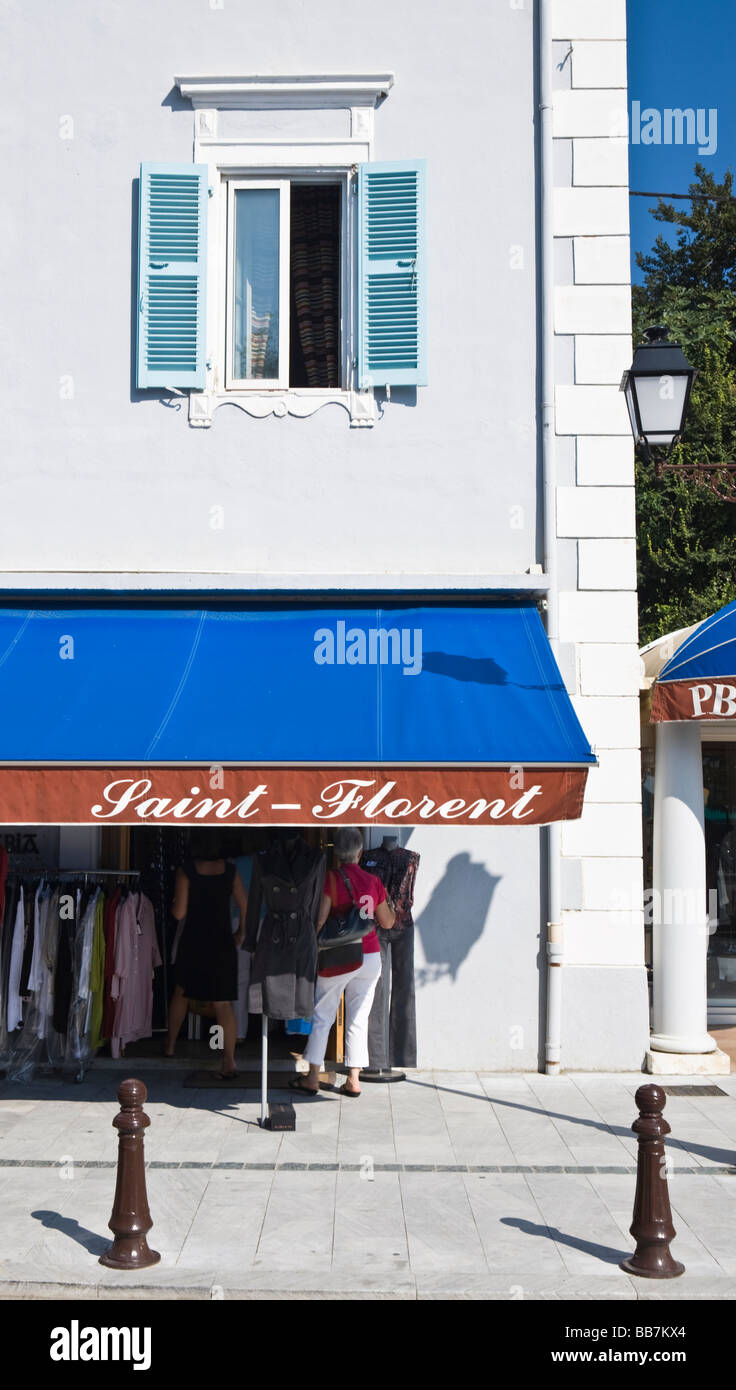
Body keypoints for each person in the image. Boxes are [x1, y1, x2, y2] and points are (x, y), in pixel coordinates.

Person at [291, 827, 395, 1098]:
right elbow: (387, 921)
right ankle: (353, 1080)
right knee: (358, 1017)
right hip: (370, 955)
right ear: (360, 853)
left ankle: (313, 1077)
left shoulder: (331, 879)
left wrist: (310, 944)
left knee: (323, 1014)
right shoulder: (373, 881)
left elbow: (321, 919)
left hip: (338, 956)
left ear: (336, 853)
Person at [165, 831, 248, 1079]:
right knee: (223, 1004)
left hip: (194, 941)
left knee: (181, 992)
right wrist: (241, 931)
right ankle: (229, 1060)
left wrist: (173, 903)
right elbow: (245, 903)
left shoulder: (186, 871)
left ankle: (169, 1045)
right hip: (222, 942)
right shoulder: (230, 871)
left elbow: (179, 913)